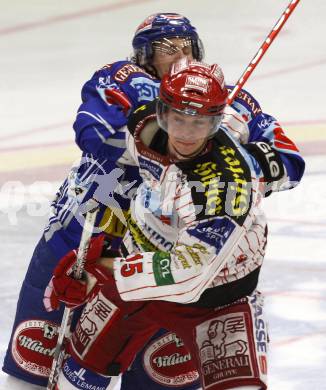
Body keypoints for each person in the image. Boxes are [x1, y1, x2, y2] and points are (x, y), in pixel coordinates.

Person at [47, 59, 305, 390]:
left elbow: (189, 273)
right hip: (138, 269)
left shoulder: (226, 187)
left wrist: (103, 268)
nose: (185, 134)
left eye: (200, 124)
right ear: (161, 111)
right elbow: (117, 142)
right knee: (77, 376)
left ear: (215, 124)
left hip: (217, 298)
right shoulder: (145, 125)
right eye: (177, 119)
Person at [2, 13, 205, 389]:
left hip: (160, 253)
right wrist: (152, 144)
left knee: (160, 372)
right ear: (145, 54)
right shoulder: (124, 78)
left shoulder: (210, 96)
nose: (180, 56)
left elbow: (279, 162)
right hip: (83, 232)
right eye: (167, 48)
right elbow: (92, 131)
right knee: (40, 363)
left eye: (187, 46)